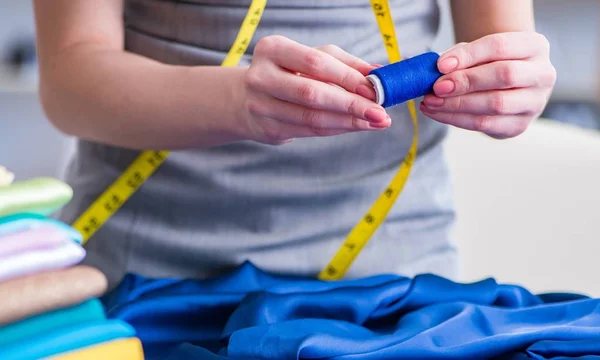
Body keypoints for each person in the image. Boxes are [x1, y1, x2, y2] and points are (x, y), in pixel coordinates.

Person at [32, 0, 556, 290]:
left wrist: (516, 86)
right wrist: (234, 101)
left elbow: (505, 48)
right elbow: (68, 79)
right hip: (142, 271)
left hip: (394, 278)